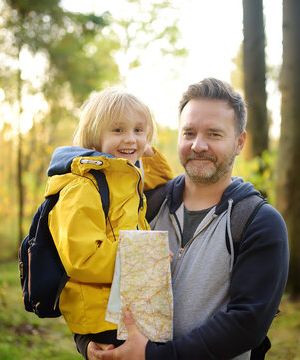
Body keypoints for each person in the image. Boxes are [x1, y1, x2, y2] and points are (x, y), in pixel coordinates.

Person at [89, 78, 289, 360]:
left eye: (214, 134)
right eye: (189, 132)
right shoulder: (143, 205)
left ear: (239, 142)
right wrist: (88, 342)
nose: (198, 145)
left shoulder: (259, 222)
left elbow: (247, 324)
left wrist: (154, 356)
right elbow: (93, 279)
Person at [42, 88, 173, 356]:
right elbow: (83, 258)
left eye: (139, 130)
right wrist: (145, 256)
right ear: (94, 136)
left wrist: (142, 145)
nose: (130, 139)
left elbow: (164, 178)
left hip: (122, 307)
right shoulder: (83, 185)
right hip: (104, 318)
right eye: (117, 130)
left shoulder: (123, 176)